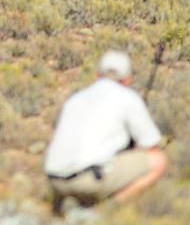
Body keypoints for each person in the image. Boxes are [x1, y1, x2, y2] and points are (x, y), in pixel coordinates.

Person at [44, 50, 168, 209]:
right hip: (88, 180)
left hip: (55, 180)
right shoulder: (128, 98)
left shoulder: (75, 99)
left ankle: (67, 205)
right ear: (127, 80)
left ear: (97, 76)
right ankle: (106, 211)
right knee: (158, 160)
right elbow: (151, 144)